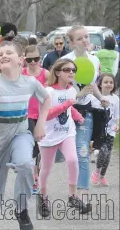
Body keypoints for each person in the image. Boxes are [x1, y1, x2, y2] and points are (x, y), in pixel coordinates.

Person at [0, 40, 51, 230]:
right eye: (0, 54)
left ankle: (21, 209)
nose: (4, 56)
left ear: (21, 60)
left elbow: (47, 99)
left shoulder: (30, 83)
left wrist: (40, 123)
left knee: (26, 165)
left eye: (9, 52)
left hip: (20, 134)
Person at [37, 58, 91, 218]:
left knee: (73, 160)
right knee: (46, 168)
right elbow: (46, 115)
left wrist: (77, 115)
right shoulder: (48, 92)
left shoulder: (72, 90)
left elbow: (69, 110)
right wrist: (66, 104)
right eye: (67, 70)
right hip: (49, 134)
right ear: (58, 72)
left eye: (73, 70)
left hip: (67, 132)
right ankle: (43, 197)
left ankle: (72, 196)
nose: (72, 73)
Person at [61, 25, 109, 197]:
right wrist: (77, 95)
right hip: (65, 111)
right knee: (66, 155)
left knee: (82, 151)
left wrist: (100, 97)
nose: (85, 41)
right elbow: (58, 87)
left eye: (86, 37)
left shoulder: (94, 60)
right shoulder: (65, 61)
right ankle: (39, 182)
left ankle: (82, 191)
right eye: (80, 38)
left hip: (85, 112)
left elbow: (92, 84)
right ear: (72, 42)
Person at [22, 45, 50, 194]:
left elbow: (56, 87)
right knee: (31, 149)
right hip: (26, 115)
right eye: (29, 59)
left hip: (42, 116)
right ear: (24, 59)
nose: (33, 62)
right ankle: (33, 178)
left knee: (39, 150)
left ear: (40, 58)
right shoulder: (21, 73)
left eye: (36, 59)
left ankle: (36, 177)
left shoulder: (45, 74)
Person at [90, 73, 119, 186]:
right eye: (106, 82)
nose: (109, 84)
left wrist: (117, 125)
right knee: (103, 152)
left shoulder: (115, 99)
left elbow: (117, 116)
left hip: (110, 131)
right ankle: (96, 172)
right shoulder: (94, 98)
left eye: (111, 82)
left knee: (107, 156)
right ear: (100, 84)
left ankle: (102, 177)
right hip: (99, 132)